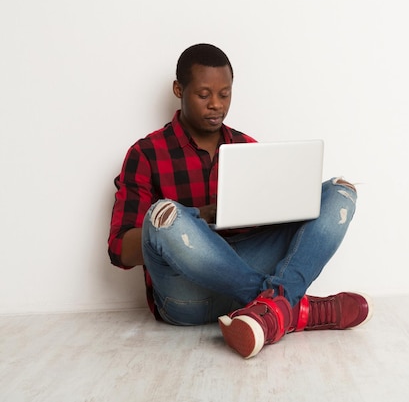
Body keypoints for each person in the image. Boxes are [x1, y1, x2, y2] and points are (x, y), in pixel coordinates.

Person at [107, 43, 371, 359]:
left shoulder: (248, 149)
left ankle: (272, 308)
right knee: (164, 215)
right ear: (179, 89)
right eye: (204, 95)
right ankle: (291, 307)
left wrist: (278, 208)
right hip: (186, 296)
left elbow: (288, 226)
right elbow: (120, 250)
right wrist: (197, 218)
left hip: (248, 263)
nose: (216, 105)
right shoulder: (146, 154)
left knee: (340, 192)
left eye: (225, 94)